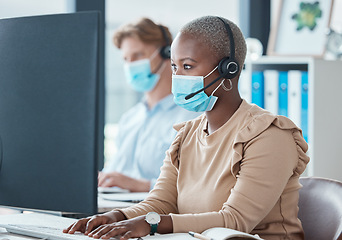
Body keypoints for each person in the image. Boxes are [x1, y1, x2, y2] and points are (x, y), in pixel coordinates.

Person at [64, 16, 310, 240]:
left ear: (229, 69)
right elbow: (160, 202)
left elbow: (236, 221)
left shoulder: (269, 134)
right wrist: (117, 217)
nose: (178, 77)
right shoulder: (186, 134)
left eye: (188, 66)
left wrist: (152, 224)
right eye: (174, 66)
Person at [98, 18, 199, 192]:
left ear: (167, 53)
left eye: (137, 56)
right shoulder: (130, 119)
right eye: (126, 59)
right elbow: (114, 174)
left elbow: (197, 183)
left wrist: (140, 185)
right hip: (113, 210)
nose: (131, 66)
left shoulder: (191, 116)